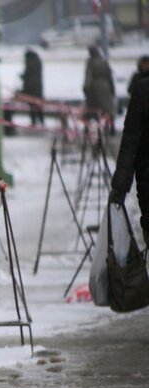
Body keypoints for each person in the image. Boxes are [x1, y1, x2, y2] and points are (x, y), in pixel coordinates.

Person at [108, 77, 149, 246]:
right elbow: (131, 139)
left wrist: (120, 185)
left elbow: (131, 139)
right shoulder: (143, 90)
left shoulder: (143, 89)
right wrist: (120, 185)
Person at [83, 44, 116, 134]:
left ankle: (88, 128)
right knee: (108, 108)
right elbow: (110, 77)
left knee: (91, 109)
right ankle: (111, 127)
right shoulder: (104, 61)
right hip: (106, 87)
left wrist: (85, 88)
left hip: (94, 88)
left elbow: (88, 76)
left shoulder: (90, 62)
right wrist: (112, 89)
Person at [19, 49, 44, 126]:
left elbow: (29, 76)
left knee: (33, 106)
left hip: (32, 90)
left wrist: (23, 76)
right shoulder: (36, 61)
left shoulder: (31, 62)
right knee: (38, 106)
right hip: (36, 90)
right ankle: (40, 121)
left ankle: (35, 122)